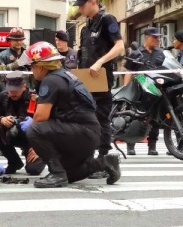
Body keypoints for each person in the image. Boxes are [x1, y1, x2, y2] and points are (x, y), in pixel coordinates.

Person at [17, 41, 121, 188]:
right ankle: (104, 162)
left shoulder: (50, 80)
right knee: (70, 174)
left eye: (32, 66)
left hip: (81, 133)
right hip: (87, 134)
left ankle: (57, 174)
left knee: (34, 129)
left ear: (41, 66)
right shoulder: (64, 75)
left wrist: (33, 141)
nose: (31, 70)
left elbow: (40, 117)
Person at [75, 0, 125, 178]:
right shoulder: (86, 26)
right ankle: (89, 158)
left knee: (101, 118)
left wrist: (100, 61)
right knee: (87, 118)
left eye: (82, 5)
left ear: (93, 2)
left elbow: (120, 46)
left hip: (102, 77)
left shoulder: (107, 20)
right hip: (86, 80)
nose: (80, 9)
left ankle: (105, 161)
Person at [0, 71, 46, 175]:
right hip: (11, 134)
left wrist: (39, 147)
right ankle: (14, 161)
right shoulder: (3, 96)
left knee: (34, 170)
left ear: (24, 87)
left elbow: (45, 123)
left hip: (31, 138)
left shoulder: (33, 98)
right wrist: (1, 119)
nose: (13, 93)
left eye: (16, 90)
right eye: (10, 90)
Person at [123, 27, 165, 156]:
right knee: (135, 117)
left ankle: (152, 146)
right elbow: (128, 72)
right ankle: (131, 145)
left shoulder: (161, 53)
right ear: (146, 37)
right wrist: (126, 89)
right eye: (154, 37)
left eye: (158, 37)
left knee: (156, 119)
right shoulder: (136, 53)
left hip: (156, 90)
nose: (157, 40)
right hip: (139, 89)